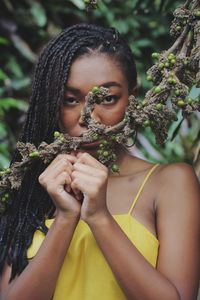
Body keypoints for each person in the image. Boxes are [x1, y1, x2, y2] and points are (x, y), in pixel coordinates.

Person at [0, 24, 199, 300]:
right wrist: (66, 218)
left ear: (133, 98)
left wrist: (98, 217)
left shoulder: (169, 182)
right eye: (70, 100)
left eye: (107, 98)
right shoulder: (32, 188)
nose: (89, 118)